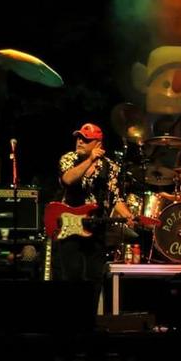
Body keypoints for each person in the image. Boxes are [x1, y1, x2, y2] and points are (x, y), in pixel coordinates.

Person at [57, 123, 134, 298]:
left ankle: (90, 313)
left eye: (86, 139)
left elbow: (115, 198)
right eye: (79, 138)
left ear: (98, 143)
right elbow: (68, 179)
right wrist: (90, 160)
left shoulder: (110, 166)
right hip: (71, 225)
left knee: (94, 276)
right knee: (73, 275)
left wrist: (128, 215)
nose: (80, 142)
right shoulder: (69, 159)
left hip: (96, 226)